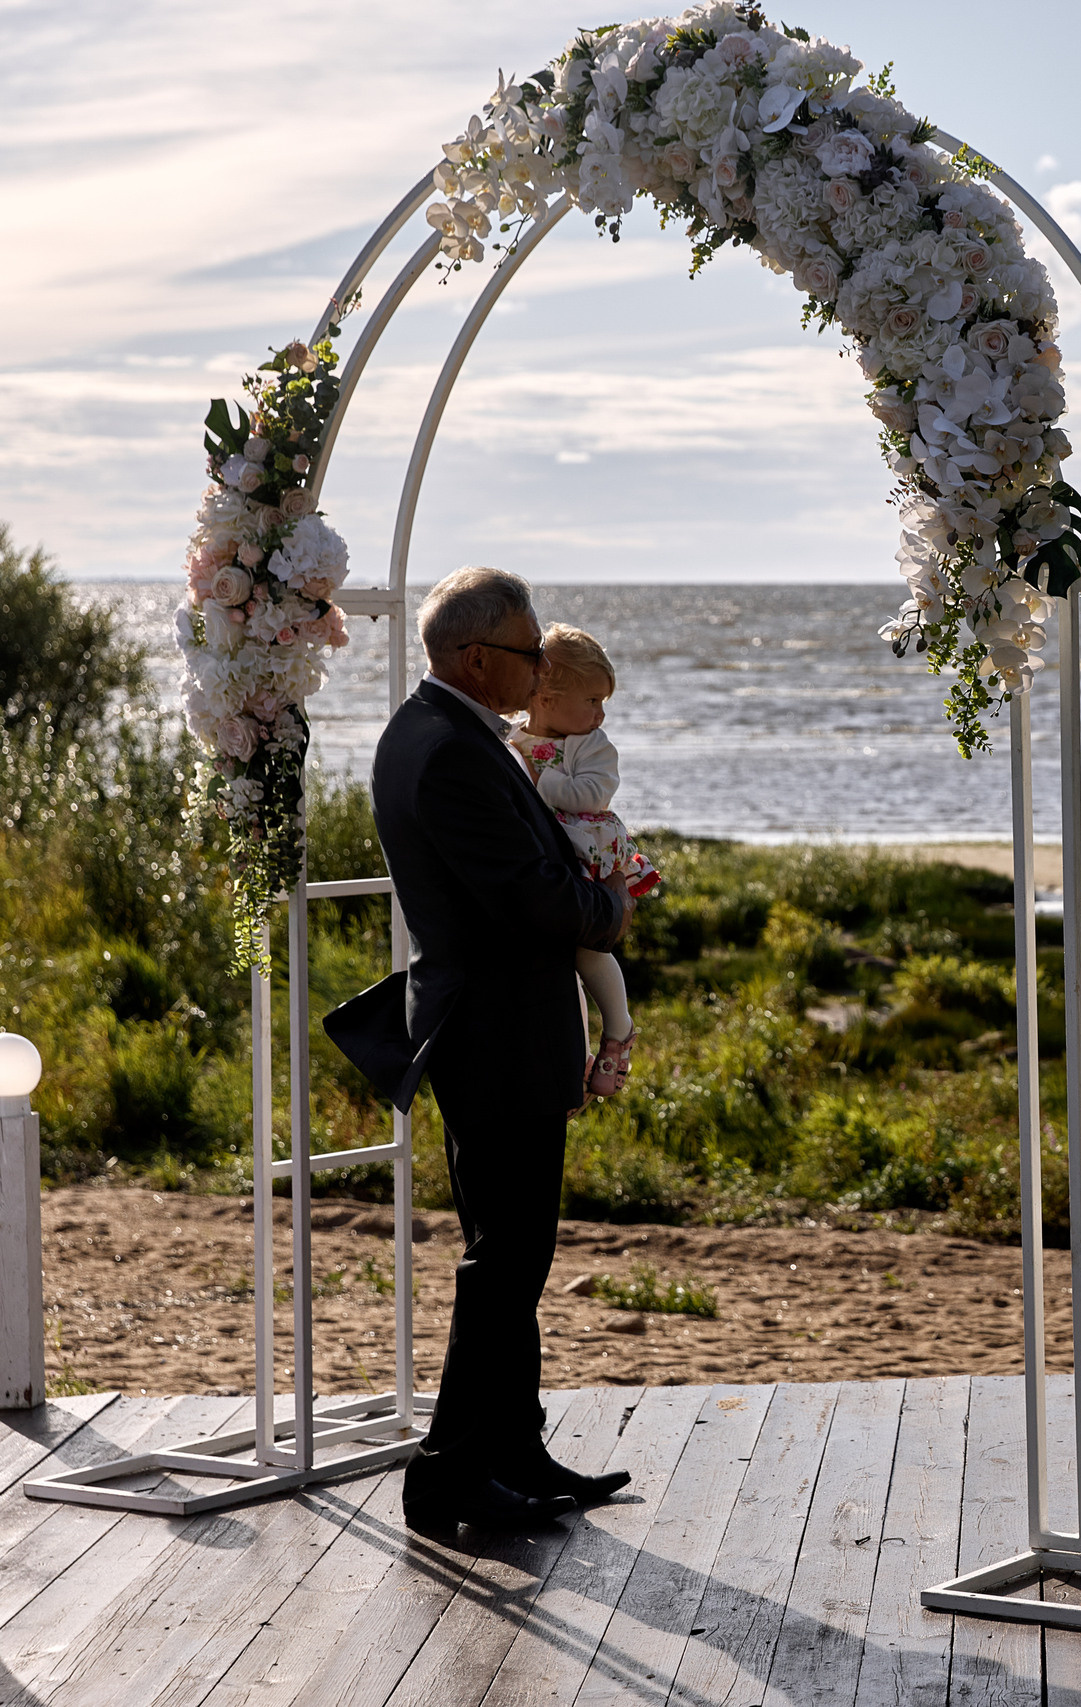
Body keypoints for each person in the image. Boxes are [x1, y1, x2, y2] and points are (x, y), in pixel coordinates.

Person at [324, 566, 635, 1533]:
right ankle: (447, 1474)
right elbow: (529, 897)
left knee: (514, 1254)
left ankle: (513, 1450)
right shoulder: (449, 750)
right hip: (495, 1032)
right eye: (528, 650)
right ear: (474, 657)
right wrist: (613, 904)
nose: (541, 666)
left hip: (500, 1026)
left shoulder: (439, 732)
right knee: (505, 1257)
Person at [509, 624, 658, 1099]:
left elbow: (593, 794)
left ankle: (618, 1027)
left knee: (588, 951)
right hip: (550, 855)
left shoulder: (592, 746)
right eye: (592, 700)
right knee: (556, 961)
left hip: (588, 852)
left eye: (603, 701)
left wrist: (538, 782)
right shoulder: (511, 740)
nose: (601, 713)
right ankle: (575, 1054)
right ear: (545, 696)